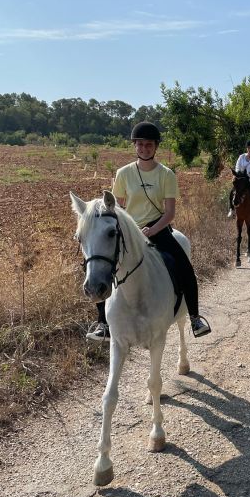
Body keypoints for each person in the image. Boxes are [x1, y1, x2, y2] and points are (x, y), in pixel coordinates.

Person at [86, 121, 211, 342]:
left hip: (159, 229)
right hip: (129, 231)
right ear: (135, 145)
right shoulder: (123, 173)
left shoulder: (166, 175)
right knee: (101, 264)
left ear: (155, 147)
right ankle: (103, 324)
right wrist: (128, 230)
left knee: (185, 268)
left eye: (149, 144)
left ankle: (194, 317)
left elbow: (170, 213)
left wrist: (152, 230)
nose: (145, 148)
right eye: (140, 144)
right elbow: (117, 208)